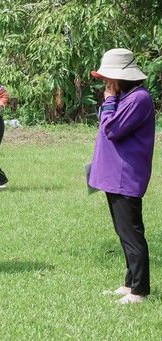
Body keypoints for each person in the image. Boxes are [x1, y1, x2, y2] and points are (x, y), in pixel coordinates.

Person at [89, 48, 155, 304]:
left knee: (132, 234)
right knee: (123, 232)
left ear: (122, 78)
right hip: (114, 176)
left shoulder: (138, 98)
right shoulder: (126, 97)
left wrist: (108, 100)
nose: (106, 83)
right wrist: (111, 100)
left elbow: (111, 128)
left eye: (109, 79)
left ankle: (140, 291)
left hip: (125, 177)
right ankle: (130, 284)